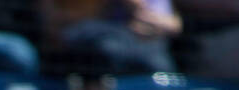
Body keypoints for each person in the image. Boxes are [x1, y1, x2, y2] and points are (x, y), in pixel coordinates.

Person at [39, 0, 182, 76]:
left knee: (159, 65)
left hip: (149, 42)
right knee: (107, 49)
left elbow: (174, 24)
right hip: (100, 34)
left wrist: (156, 23)